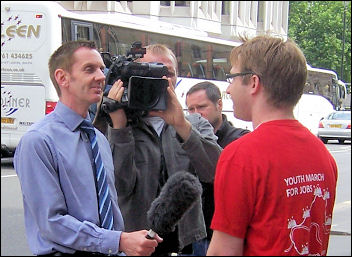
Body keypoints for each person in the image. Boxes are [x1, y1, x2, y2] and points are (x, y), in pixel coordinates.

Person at [13, 40, 162, 256]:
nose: (101, 77)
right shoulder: (38, 141)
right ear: (62, 78)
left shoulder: (98, 139)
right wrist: (119, 241)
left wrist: (122, 243)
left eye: (102, 69)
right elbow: (52, 223)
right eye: (89, 69)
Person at [206, 35, 338, 256]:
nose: (228, 90)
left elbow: (223, 251)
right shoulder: (323, 155)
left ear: (254, 83)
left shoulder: (241, 155)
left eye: (232, 78)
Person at [94, 44, 222, 255]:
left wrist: (182, 125)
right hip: (138, 243)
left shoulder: (195, 123)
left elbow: (217, 172)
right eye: (151, 71)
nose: (162, 79)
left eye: (167, 73)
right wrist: (120, 127)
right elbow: (120, 188)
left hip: (188, 243)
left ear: (176, 79)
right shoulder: (118, 125)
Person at [185, 81, 250, 255]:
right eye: (190, 110)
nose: (196, 115)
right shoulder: (184, 138)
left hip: (224, 237)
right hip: (193, 236)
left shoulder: (240, 139)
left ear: (219, 104)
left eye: (201, 107)